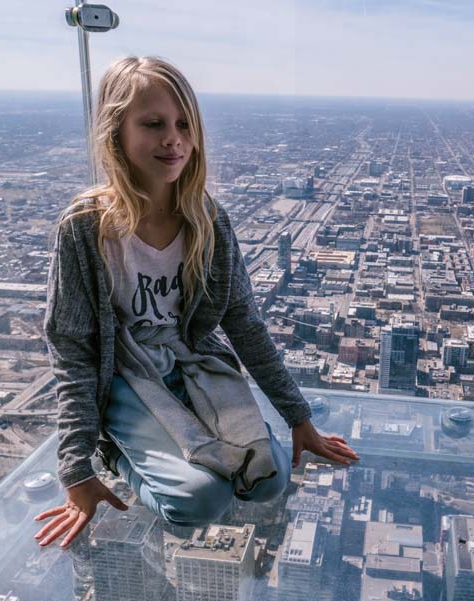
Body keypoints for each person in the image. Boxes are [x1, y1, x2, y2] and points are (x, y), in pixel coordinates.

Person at [33, 56, 359, 549]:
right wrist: (76, 470)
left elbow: (243, 322)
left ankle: (193, 445)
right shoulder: (84, 228)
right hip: (125, 374)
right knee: (197, 503)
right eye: (153, 124)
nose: (173, 138)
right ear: (115, 131)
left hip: (190, 363)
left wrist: (299, 418)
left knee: (268, 482)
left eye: (184, 124)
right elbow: (72, 350)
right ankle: (118, 451)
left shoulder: (207, 219)